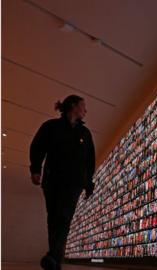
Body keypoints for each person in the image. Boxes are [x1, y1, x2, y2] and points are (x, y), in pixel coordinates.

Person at [29, 95, 95, 270]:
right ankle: (54, 258)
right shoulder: (51, 127)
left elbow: (89, 161)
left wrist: (88, 184)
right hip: (52, 181)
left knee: (64, 218)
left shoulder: (85, 134)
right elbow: (38, 147)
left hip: (73, 184)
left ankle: (53, 256)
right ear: (73, 106)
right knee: (54, 218)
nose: (85, 110)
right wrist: (36, 169)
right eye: (83, 106)